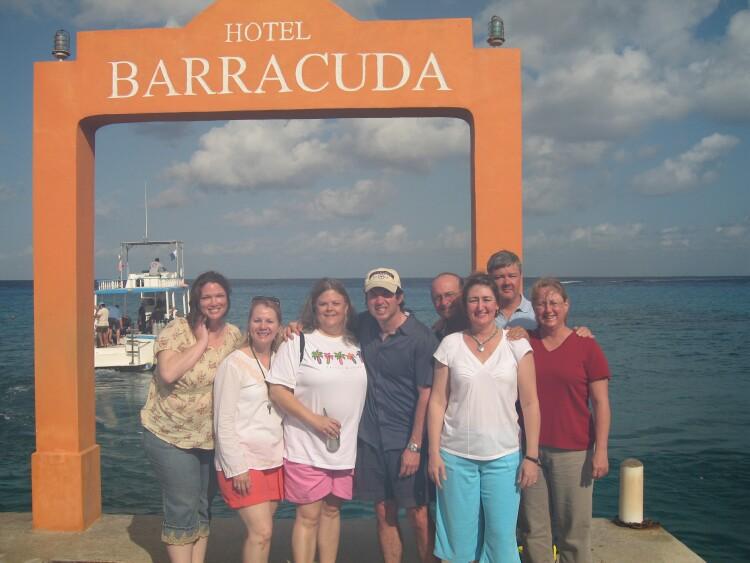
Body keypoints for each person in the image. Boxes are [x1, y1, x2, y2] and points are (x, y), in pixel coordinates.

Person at [427, 273, 541, 562]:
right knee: (459, 543)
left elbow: (529, 403)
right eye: (474, 300)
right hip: (454, 457)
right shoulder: (450, 345)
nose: (481, 306)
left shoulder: (517, 344)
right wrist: (433, 454)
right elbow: (437, 401)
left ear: (496, 303)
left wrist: (531, 457)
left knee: (501, 542)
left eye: (487, 299)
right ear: (466, 305)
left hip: (504, 458)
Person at [141, 271, 243, 563]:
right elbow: (168, 373)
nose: (213, 302)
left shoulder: (234, 335)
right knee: (182, 505)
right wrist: (201, 341)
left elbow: (256, 361)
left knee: (202, 506)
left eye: (219, 296)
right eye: (207, 296)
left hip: (211, 439)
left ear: (228, 298)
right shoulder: (177, 330)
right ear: (196, 300)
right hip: (170, 435)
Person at [267, 279, 367, 563]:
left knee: (333, 512)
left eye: (336, 303)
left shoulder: (357, 342)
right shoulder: (297, 341)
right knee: (308, 515)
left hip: (344, 451)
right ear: (314, 307)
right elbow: (277, 390)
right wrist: (314, 421)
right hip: (306, 446)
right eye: (323, 304)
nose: (330, 309)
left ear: (347, 306)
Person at [518, 277, 612, 563]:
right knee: (534, 530)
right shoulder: (524, 343)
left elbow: (601, 403)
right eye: (541, 303)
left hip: (574, 451)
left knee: (574, 530)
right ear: (533, 308)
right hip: (530, 452)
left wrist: (602, 451)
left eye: (554, 303)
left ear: (566, 305)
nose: (548, 309)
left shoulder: (586, 346)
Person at [355, 268, 439, 563]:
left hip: (406, 440)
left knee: (418, 514)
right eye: (373, 294)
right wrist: (297, 324)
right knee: (383, 512)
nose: (380, 300)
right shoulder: (363, 325)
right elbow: (327, 319)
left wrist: (415, 446)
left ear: (399, 297)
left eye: (386, 294)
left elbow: (426, 395)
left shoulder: (420, 338)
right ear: (366, 299)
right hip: (371, 440)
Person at [213, 296, 284, 563]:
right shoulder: (233, 364)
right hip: (244, 463)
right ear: (249, 324)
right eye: (257, 320)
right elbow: (223, 420)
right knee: (261, 531)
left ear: (279, 325)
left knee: (263, 534)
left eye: (269, 321)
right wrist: (237, 466)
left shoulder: (281, 359)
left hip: (274, 460)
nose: (263, 326)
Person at [486, 250, 537, 330]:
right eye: (499, 277)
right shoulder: (483, 314)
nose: (507, 282)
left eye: (512, 276)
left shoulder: (536, 313)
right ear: (490, 280)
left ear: (521, 276)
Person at [430, 272, 465, 341]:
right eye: (437, 297)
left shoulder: (478, 329)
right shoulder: (434, 335)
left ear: (464, 294)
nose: (443, 302)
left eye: (449, 295)